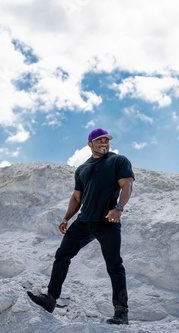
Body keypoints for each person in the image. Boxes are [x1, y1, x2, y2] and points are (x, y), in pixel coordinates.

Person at [27, 128, 135, 325]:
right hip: (83, 222)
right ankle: (50, 299)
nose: (104, 143)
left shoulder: (118, 161)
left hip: (107, 222)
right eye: (99, 140)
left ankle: (121, 312)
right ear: (90, 144)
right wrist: (66, 218)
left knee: (114, 265)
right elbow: (77, 197)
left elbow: (127, 184)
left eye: (107, 140)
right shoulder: (82, 169)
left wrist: (119, 208)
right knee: (62, 255)